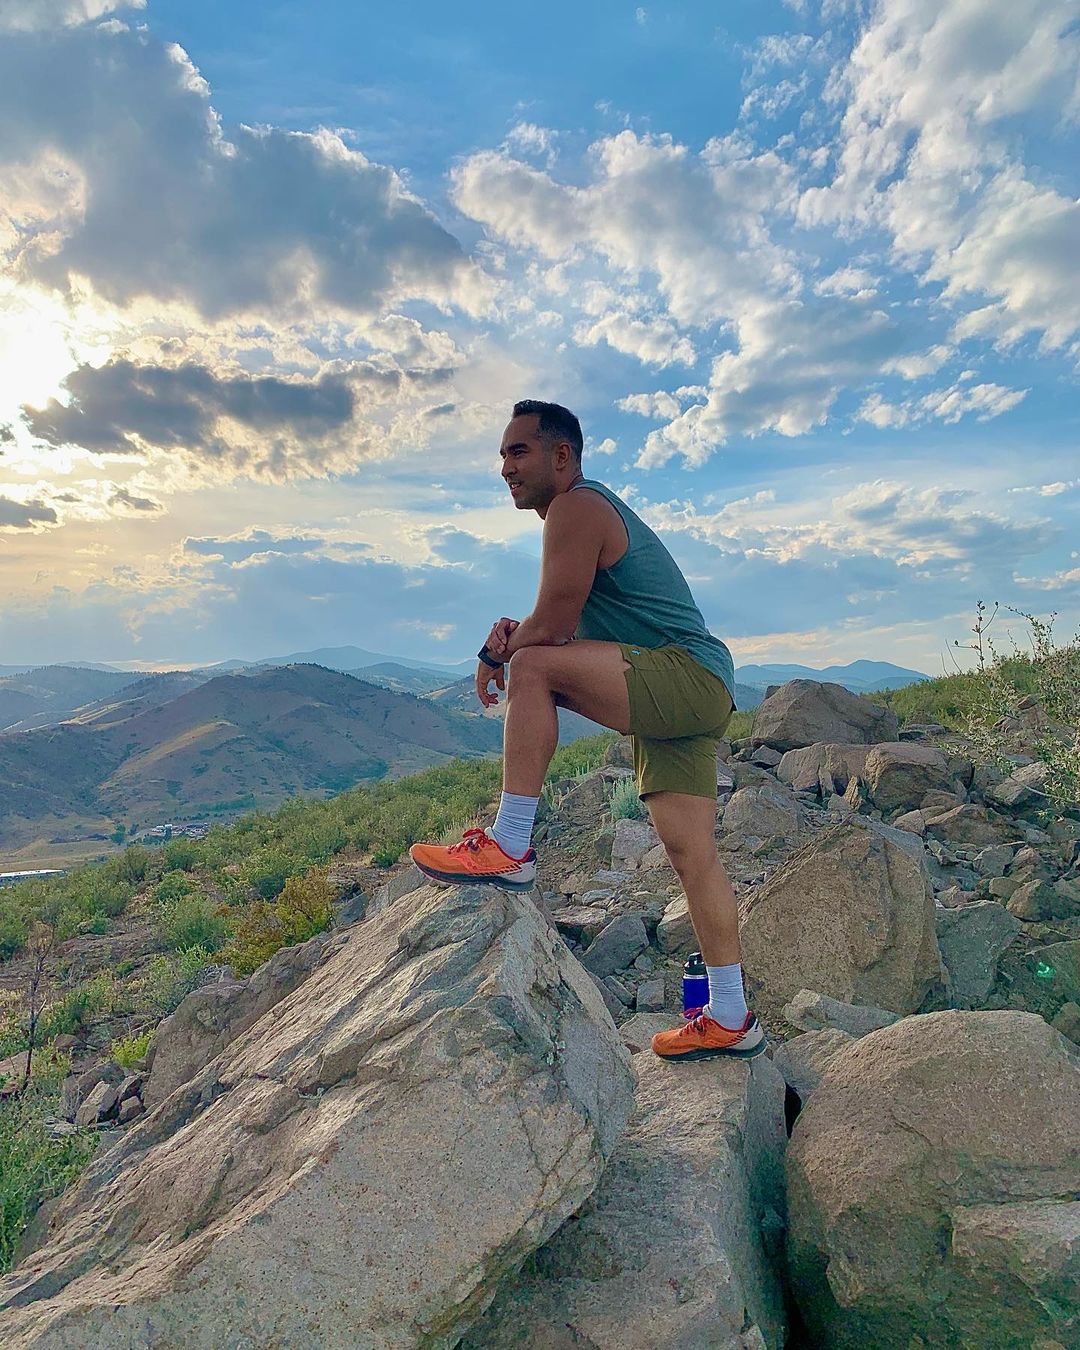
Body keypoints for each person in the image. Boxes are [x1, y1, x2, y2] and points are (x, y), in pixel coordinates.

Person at [409, 400, 763, 1062]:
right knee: (692, 854)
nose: (506, 468)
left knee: (534, 668)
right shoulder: (578, 516)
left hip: (682, 676)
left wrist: (499, 653)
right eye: (502, 455)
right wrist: (514, 636)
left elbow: (550, 632)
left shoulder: (578, 506)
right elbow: (554, 620)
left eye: (519, 451)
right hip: (694, 686)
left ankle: (511, 843)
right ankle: (730, 1015)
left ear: (562, 455)